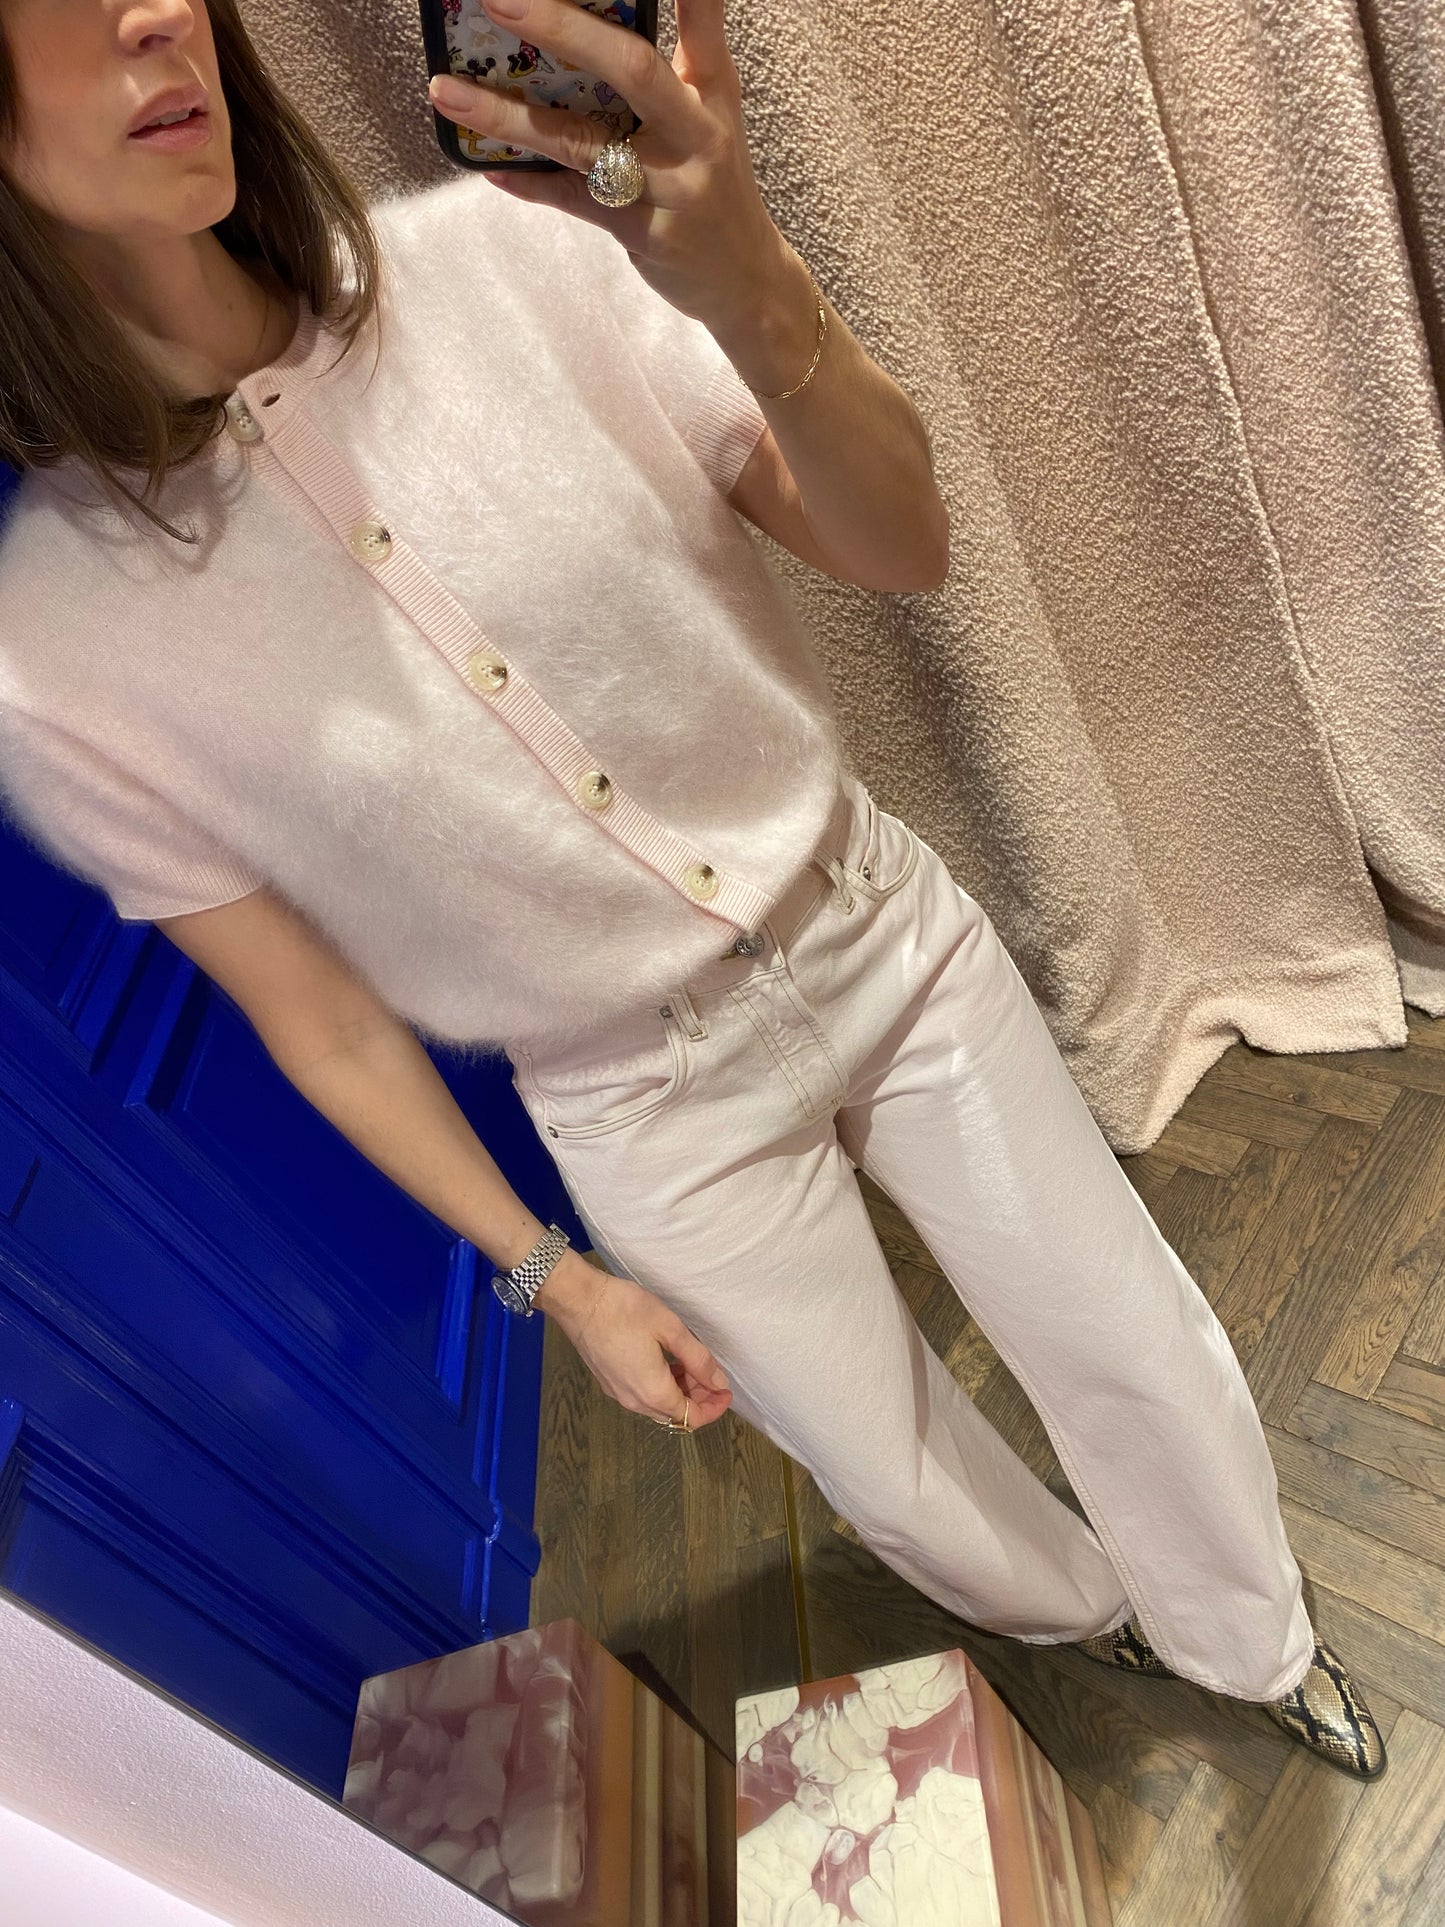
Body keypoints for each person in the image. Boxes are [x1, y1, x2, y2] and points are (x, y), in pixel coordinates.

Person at [0, 0, 1385, 1781]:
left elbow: (903, 548)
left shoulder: (513, 260)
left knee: (1123, 1332)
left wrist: (754, 291)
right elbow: (320, 1020)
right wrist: (554, 1282)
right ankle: (1081, 1612)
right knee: (885, 1473)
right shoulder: (57, 657)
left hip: (872, 932)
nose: (152, 11)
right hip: (638, 1103)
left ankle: (1250, 1638)